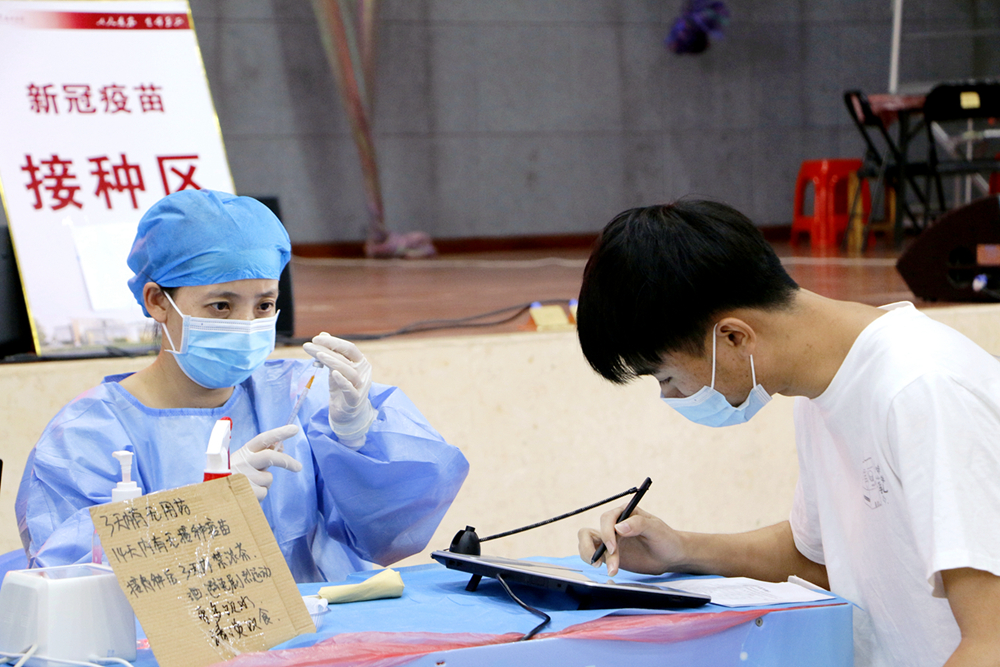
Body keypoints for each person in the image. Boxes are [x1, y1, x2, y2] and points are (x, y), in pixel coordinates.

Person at [574, 200, 1000, 667]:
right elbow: (817, 558)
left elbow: (991, 641)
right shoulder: (822, 389)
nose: (671, 397)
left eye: (668, 378)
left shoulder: (924, 391)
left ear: (734, 337)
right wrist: (679, 551)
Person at [16, 189, 469, 583]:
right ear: (157, 301)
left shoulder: (298, 396)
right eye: (221, 306)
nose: (246, 324)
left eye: (264, 305)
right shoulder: (88, 437)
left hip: (317, 636)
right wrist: (196, 512)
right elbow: (70, 583)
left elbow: (390, 531)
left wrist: (359, 437)